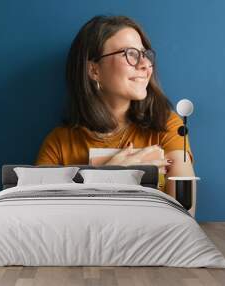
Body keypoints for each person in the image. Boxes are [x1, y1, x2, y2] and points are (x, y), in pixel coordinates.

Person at [35, 15, 195, 198]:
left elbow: (184, 214)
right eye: (129, 54)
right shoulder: (58, 145)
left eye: (144, 54)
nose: (145, 64)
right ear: (94, 70)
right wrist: (108, 175)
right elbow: (48, 220)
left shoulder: (169, 126)